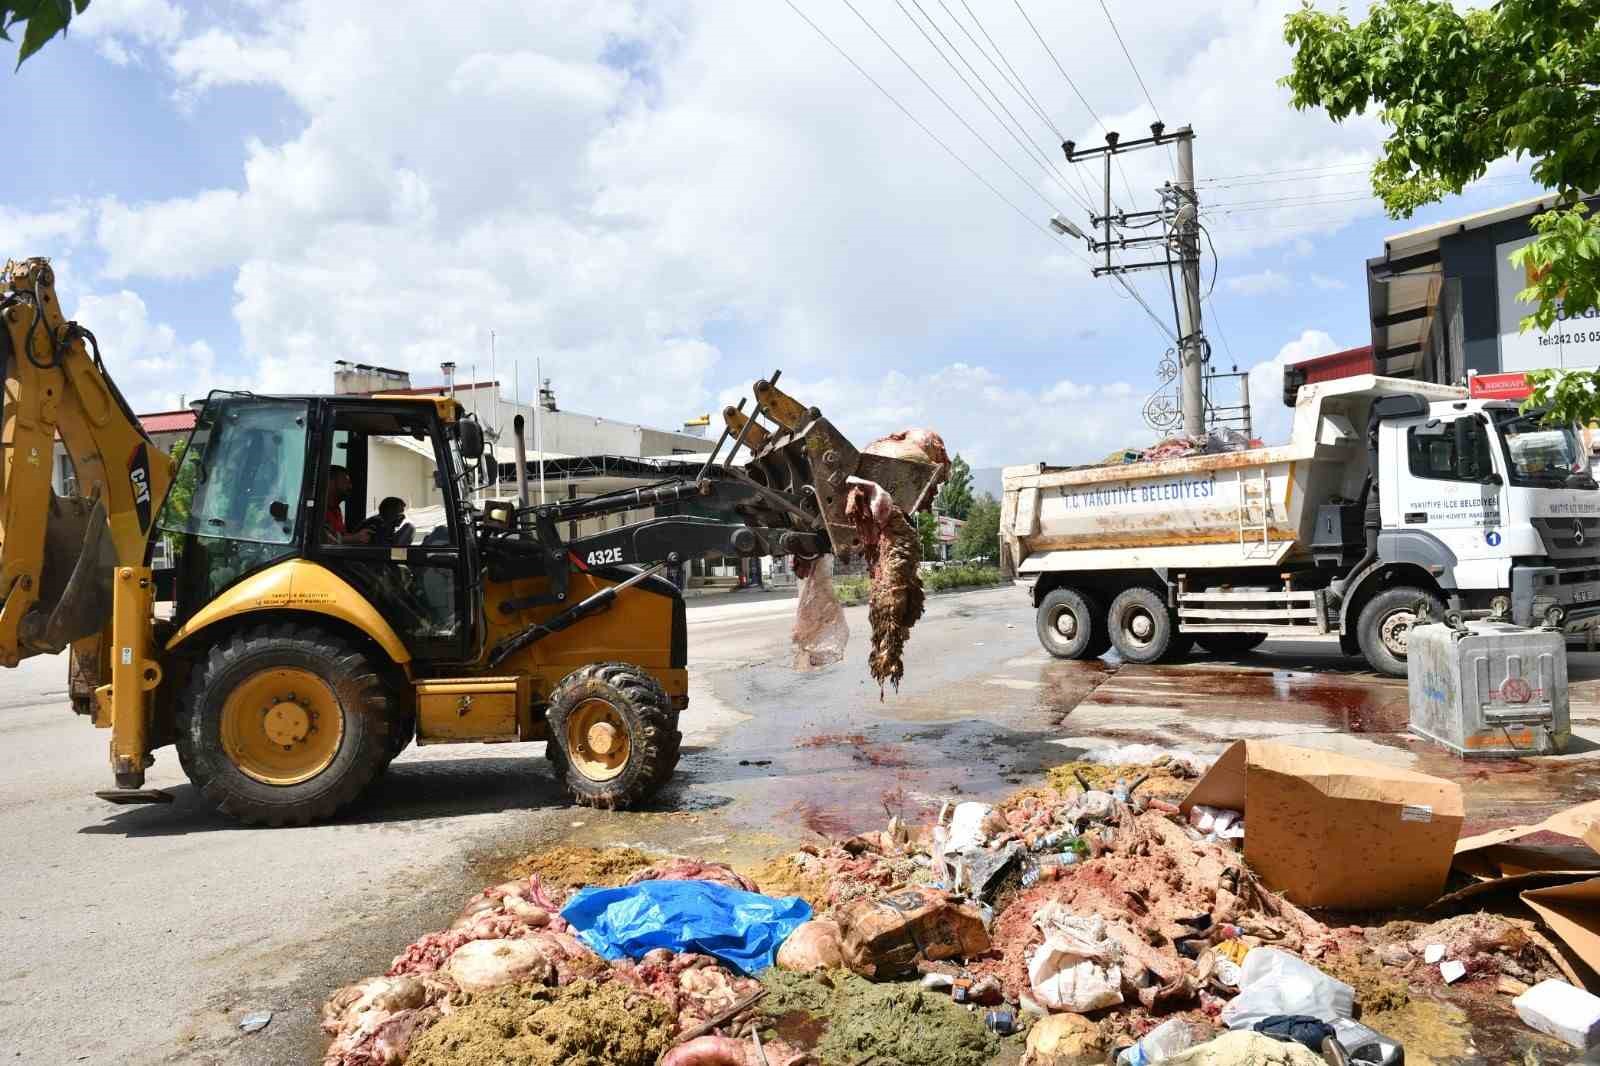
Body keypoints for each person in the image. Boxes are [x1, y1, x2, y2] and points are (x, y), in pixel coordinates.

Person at [325, 466, 372, 544]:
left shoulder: (336, 509)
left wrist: (361, 536)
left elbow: (341, 535)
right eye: (345, 481)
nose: (350, 486)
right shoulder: (316, 510)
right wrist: (354, 538)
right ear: (330, 481)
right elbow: (324, 538)